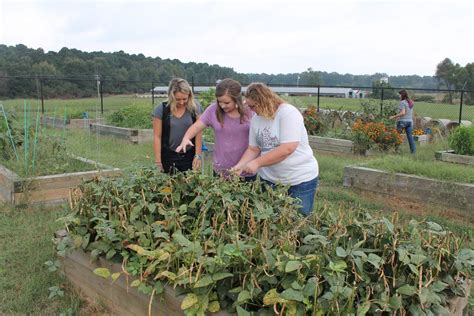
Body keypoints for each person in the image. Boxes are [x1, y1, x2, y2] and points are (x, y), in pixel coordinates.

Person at [232, 82, 319, 216]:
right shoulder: (256, 119)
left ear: (264, 101)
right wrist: (239, 166)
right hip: (269, 179)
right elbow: (253, 149)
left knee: (298, 220)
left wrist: (257, 163)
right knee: (270, 219)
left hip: (299, 178)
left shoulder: (287, 113)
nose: (251, 110)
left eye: (253, 106)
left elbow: (287, 148)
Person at [176, 78, 255, 181]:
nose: (222, 105)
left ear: (237, 99)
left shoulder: (250, 111)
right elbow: (197, 126)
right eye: (219, 102)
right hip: (221, 172)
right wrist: (186, 138)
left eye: (226, 103)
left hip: (246, 172)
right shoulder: (213, 110)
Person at [152, 78, 203, 174]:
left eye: (185, 99)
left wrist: (198, 155)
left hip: (189, 155)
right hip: (168, 156)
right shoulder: (161, 109)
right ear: (171, 97)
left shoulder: (195, 108)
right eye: (178, 99)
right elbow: (157, 136)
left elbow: (199, 132)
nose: (182, 102)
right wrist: (158, 161)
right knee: (168, 187)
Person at [390, 89, 416, 154]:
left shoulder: (402, 102)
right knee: (410, 138)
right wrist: (399, 117)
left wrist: (394, 116)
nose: (399, 96)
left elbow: (403, 112)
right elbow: (408, 113)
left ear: (402, 95)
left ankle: (396, 151)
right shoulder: (410, 102)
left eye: (399, 95)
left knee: (397, 136)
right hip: (410, 122)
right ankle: (413, 152)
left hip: (402, 122)